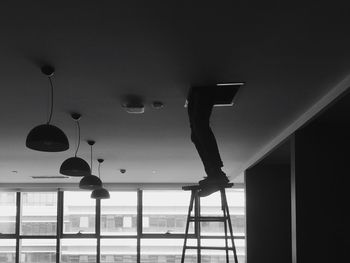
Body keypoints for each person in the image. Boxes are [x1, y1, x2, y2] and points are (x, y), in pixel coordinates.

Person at [187, 86, 229, 197]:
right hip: (215, 172)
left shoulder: (213, 171)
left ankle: (196, 98)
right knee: (200, 128)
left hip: (214, 173)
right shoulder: (214, 170)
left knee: (196, 135)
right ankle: (204, 95)